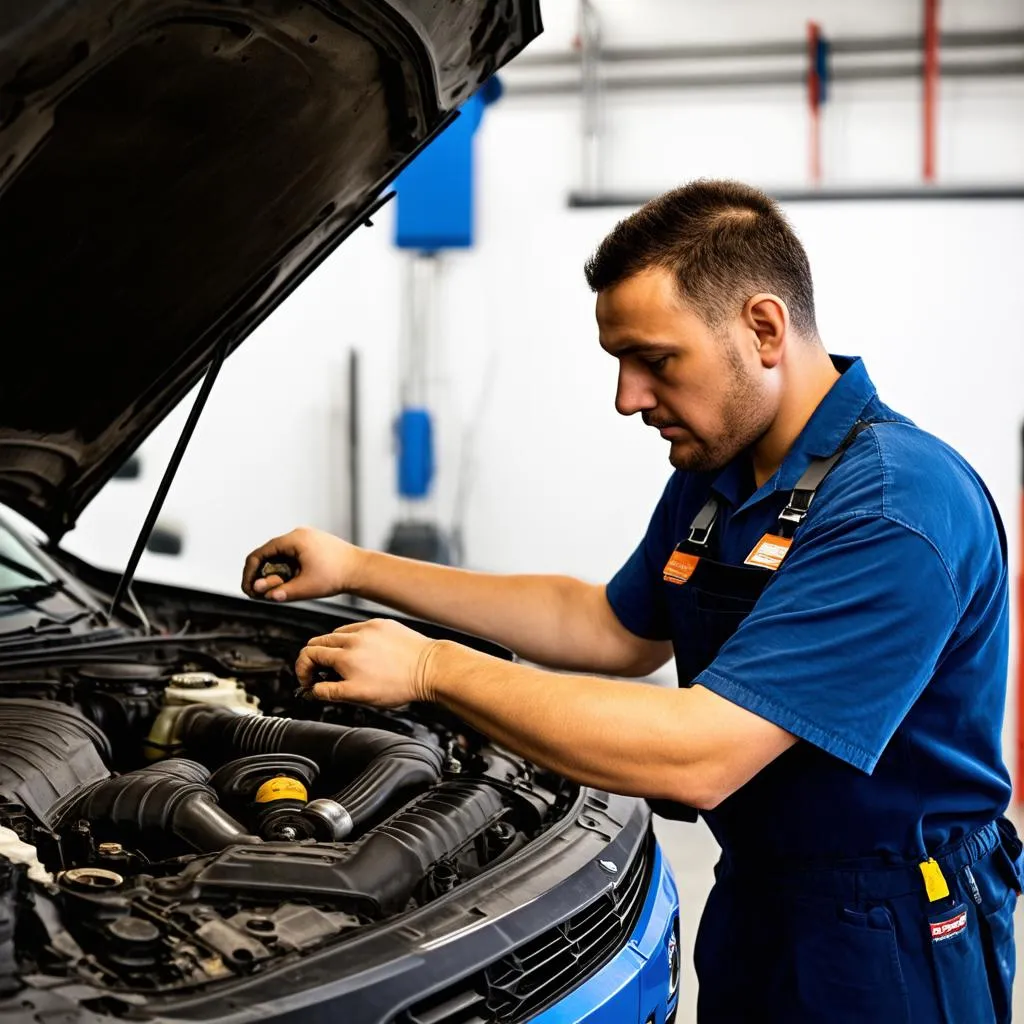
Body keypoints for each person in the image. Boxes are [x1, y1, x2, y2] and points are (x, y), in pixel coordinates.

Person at [242, 179, 1020, 1023]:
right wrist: (359, 566)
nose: (628, 397)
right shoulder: (719, 475)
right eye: (620, 362)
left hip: (892, 928)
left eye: (657, 360)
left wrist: (433, 669)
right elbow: (608, 628)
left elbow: (704, 753)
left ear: (763, 329)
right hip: (760, 894)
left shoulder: (894, 507)